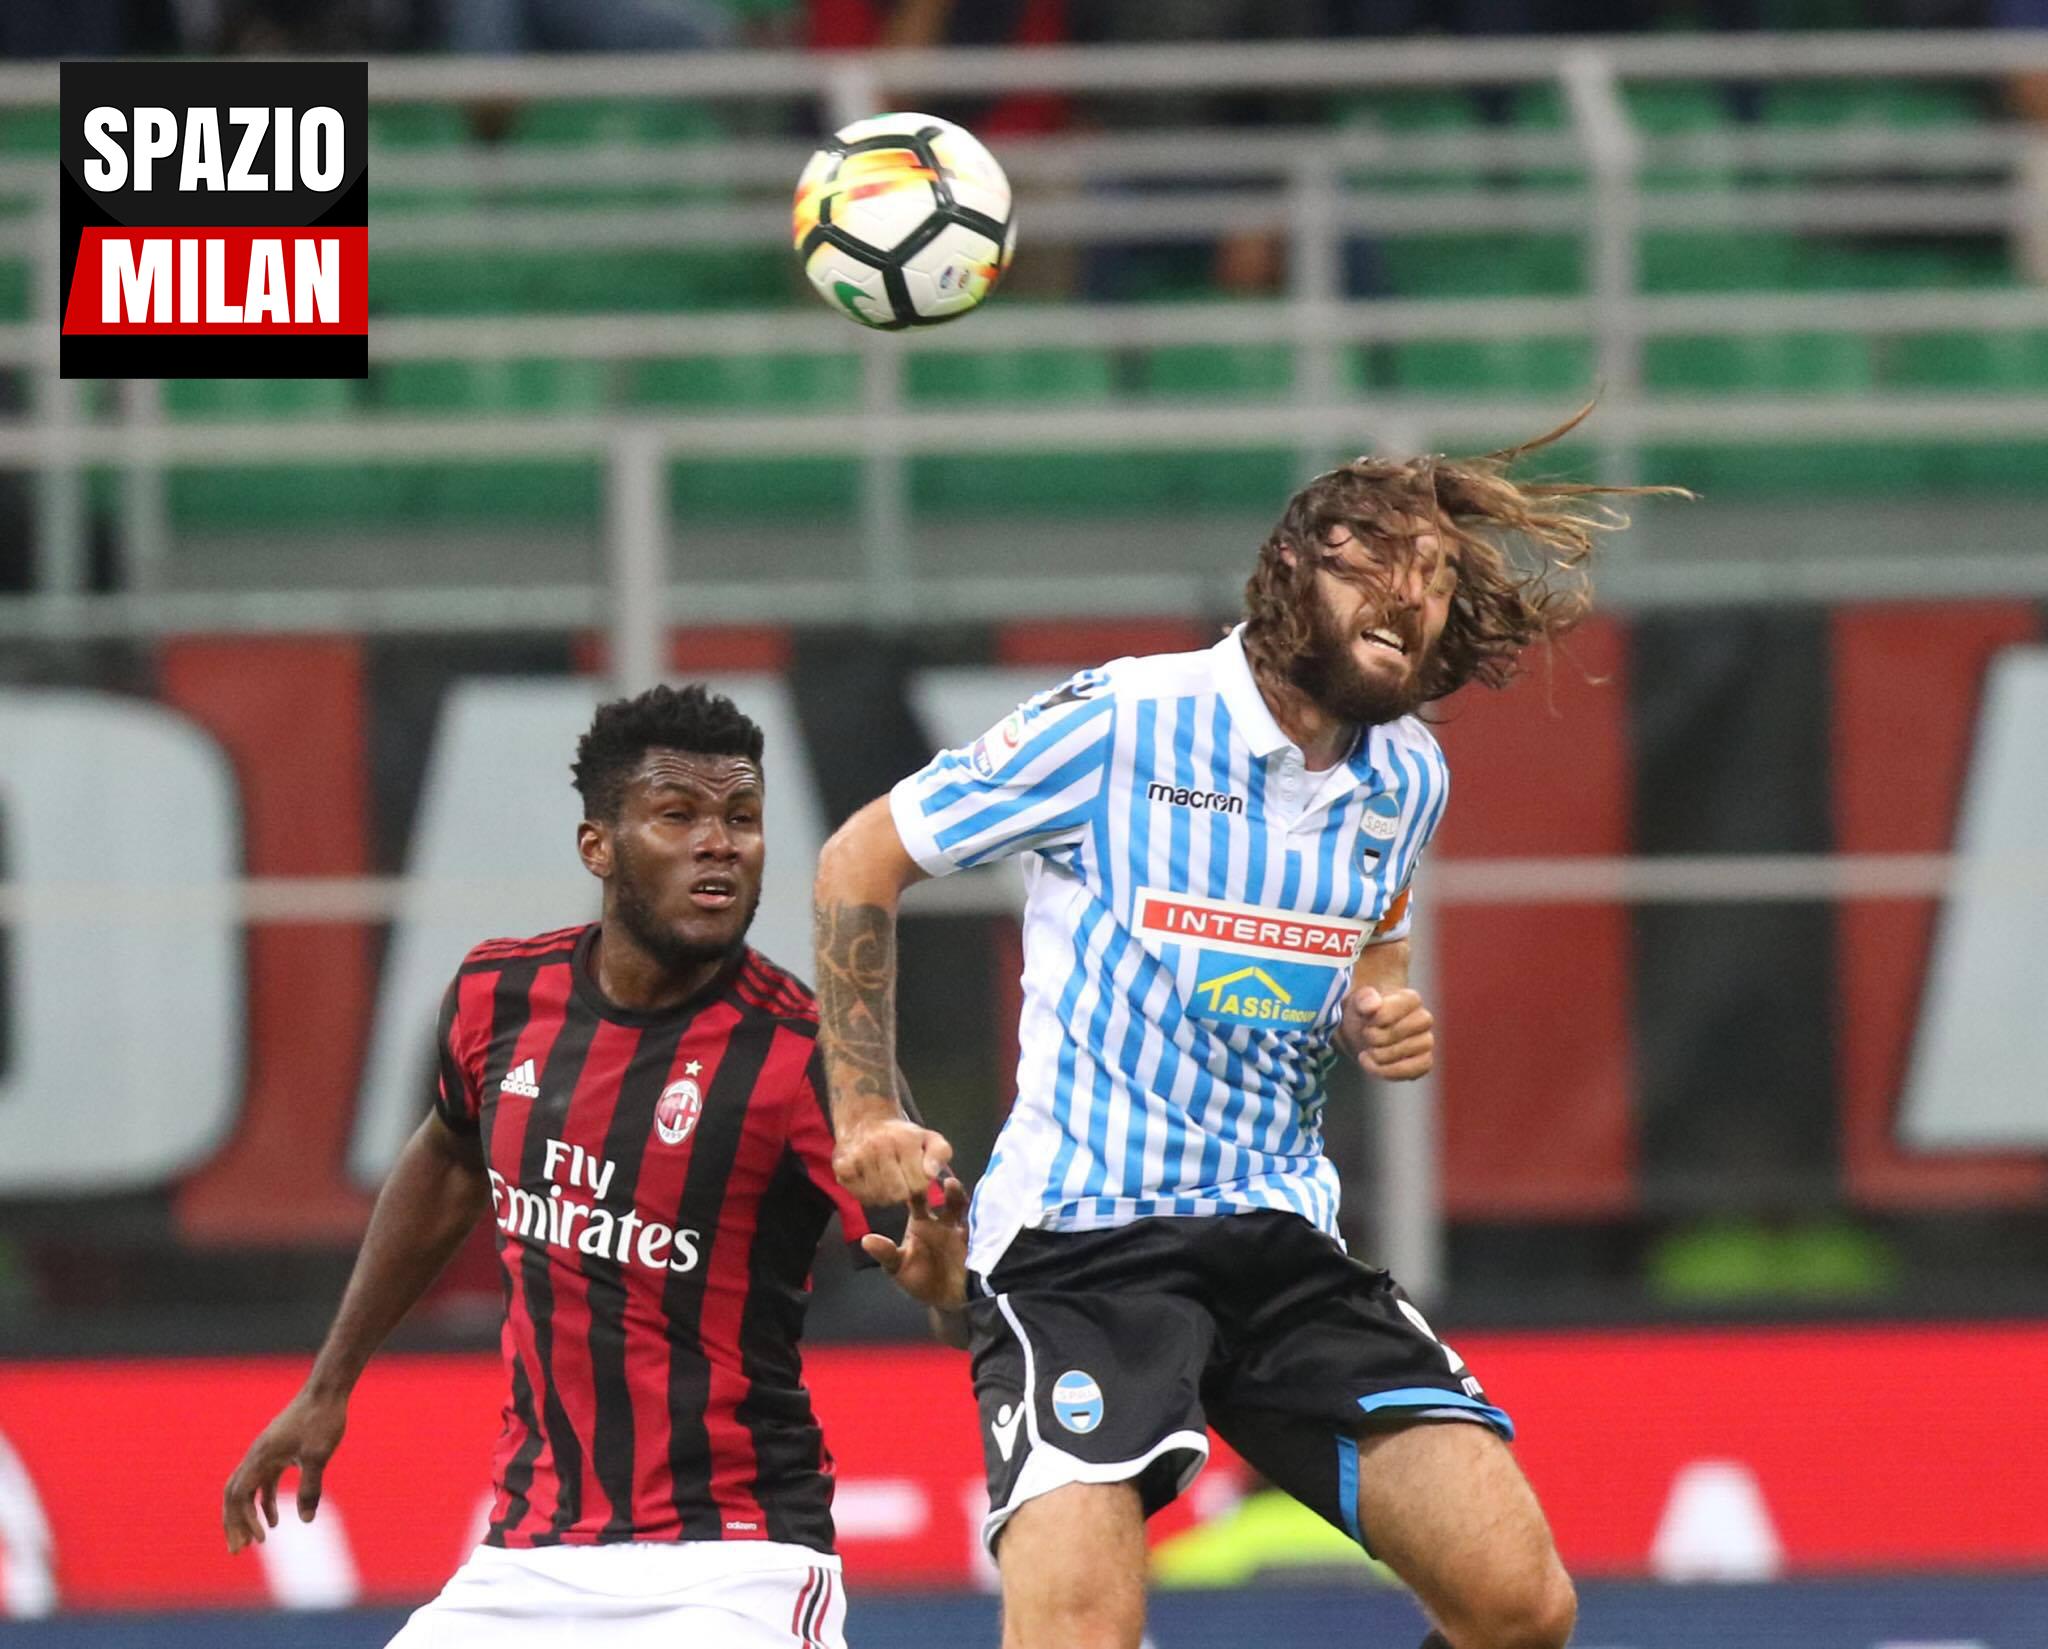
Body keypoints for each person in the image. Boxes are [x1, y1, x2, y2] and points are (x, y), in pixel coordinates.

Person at [812, 413, 1673, 1649]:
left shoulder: (1405, 776)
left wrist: (1380, 1001)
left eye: (1435, 575)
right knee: (1076, 1633)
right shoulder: (1121, 719)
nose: (1412, 595)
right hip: (1081, 1246)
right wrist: (864, 1107)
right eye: (1378, 560)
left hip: (1277, 1238)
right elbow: (860, 855)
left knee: (1519, 1606)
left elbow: (1375, 925)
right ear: (1288, 569)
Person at [223, 683, 965, 1649]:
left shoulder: (810, 1055)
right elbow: (448, 1155)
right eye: (678, 815)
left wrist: (950, 1284)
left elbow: (952, 1282)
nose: (720, 843)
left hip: (735, 1561)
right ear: (598, 846)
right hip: (527, 1556)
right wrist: (329, 1387)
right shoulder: (498, 997)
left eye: (743, 817)